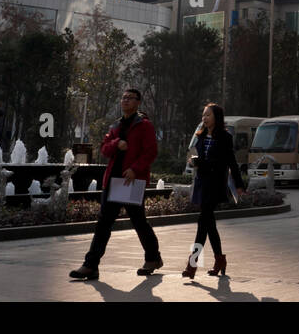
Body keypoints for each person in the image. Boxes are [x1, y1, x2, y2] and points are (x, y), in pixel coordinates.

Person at [70, 88, 163, 280]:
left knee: (138, 221)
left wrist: (135, 169)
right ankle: (91, 265)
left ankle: (153, 258)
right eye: (124, 97)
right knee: (104, 223)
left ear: (138, 103)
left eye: (130, 98)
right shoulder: (116, 125)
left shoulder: (144, 125)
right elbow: (104, 149)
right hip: (112, 180)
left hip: (130, 181)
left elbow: (151, 152)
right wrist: (117, 143)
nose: (126, 101)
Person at [183, 102, 245, 279]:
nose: (204, 118)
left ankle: (192, 265)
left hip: (215, 184)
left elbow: (231, 162)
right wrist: (192, 161)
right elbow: (193, 154)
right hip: (202, 183)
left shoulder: (225, 137)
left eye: (208, 115)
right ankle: (219, 260)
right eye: (203, 115)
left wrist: (239, 185)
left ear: (216, 118)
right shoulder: (200, 135)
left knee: (203, 223)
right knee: (209, 224)